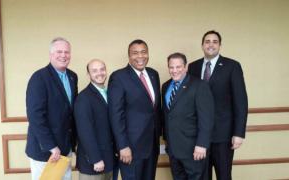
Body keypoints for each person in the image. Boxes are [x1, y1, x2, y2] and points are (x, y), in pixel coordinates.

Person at [188, 30, 248, 180]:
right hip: (199, 136)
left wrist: (239, 133)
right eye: (207, 41)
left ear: (220, 45)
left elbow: (241, 101)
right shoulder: (193, 67)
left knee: (224, 176)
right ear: (202, 45)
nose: (211, 45)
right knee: (202, 176)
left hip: (223, 136)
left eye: (215, 42)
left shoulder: (232, 66)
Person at [108, 39, 162, 180]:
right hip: (131, 148)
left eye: (143, 52)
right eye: (135, 53)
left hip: (152, 146)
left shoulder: (153, 74)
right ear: (129, 56)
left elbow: (155, 109)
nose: (140, 56)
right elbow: (115, 114)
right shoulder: (119, 77)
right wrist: (123, 146)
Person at [25, 37, 78, 180]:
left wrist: (74, 144)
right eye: (59, 51)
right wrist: (51, 146)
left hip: (65, 149)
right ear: (50, 55)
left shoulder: (73, 77)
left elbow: (70, 113)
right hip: (45, 152)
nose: (63, 55)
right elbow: (35, 116)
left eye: (67, 52)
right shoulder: (39, 78)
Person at [162, 52, 214, 180]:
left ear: (185, 67)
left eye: (178, 67)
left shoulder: (199, 86)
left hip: (194, 149)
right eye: (171, 67)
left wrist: (202, 144)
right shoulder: (165, 86)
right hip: (173, 150)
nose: (174, 71)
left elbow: (206, 118)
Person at [74, 59, 114, 180]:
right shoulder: (83, 98)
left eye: (102, 69)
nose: (99, 73)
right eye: (94, 70)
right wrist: (95, 159)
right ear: (88, 74)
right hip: (93, 163)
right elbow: (85, 132)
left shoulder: (110, 93)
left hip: (109, 159)